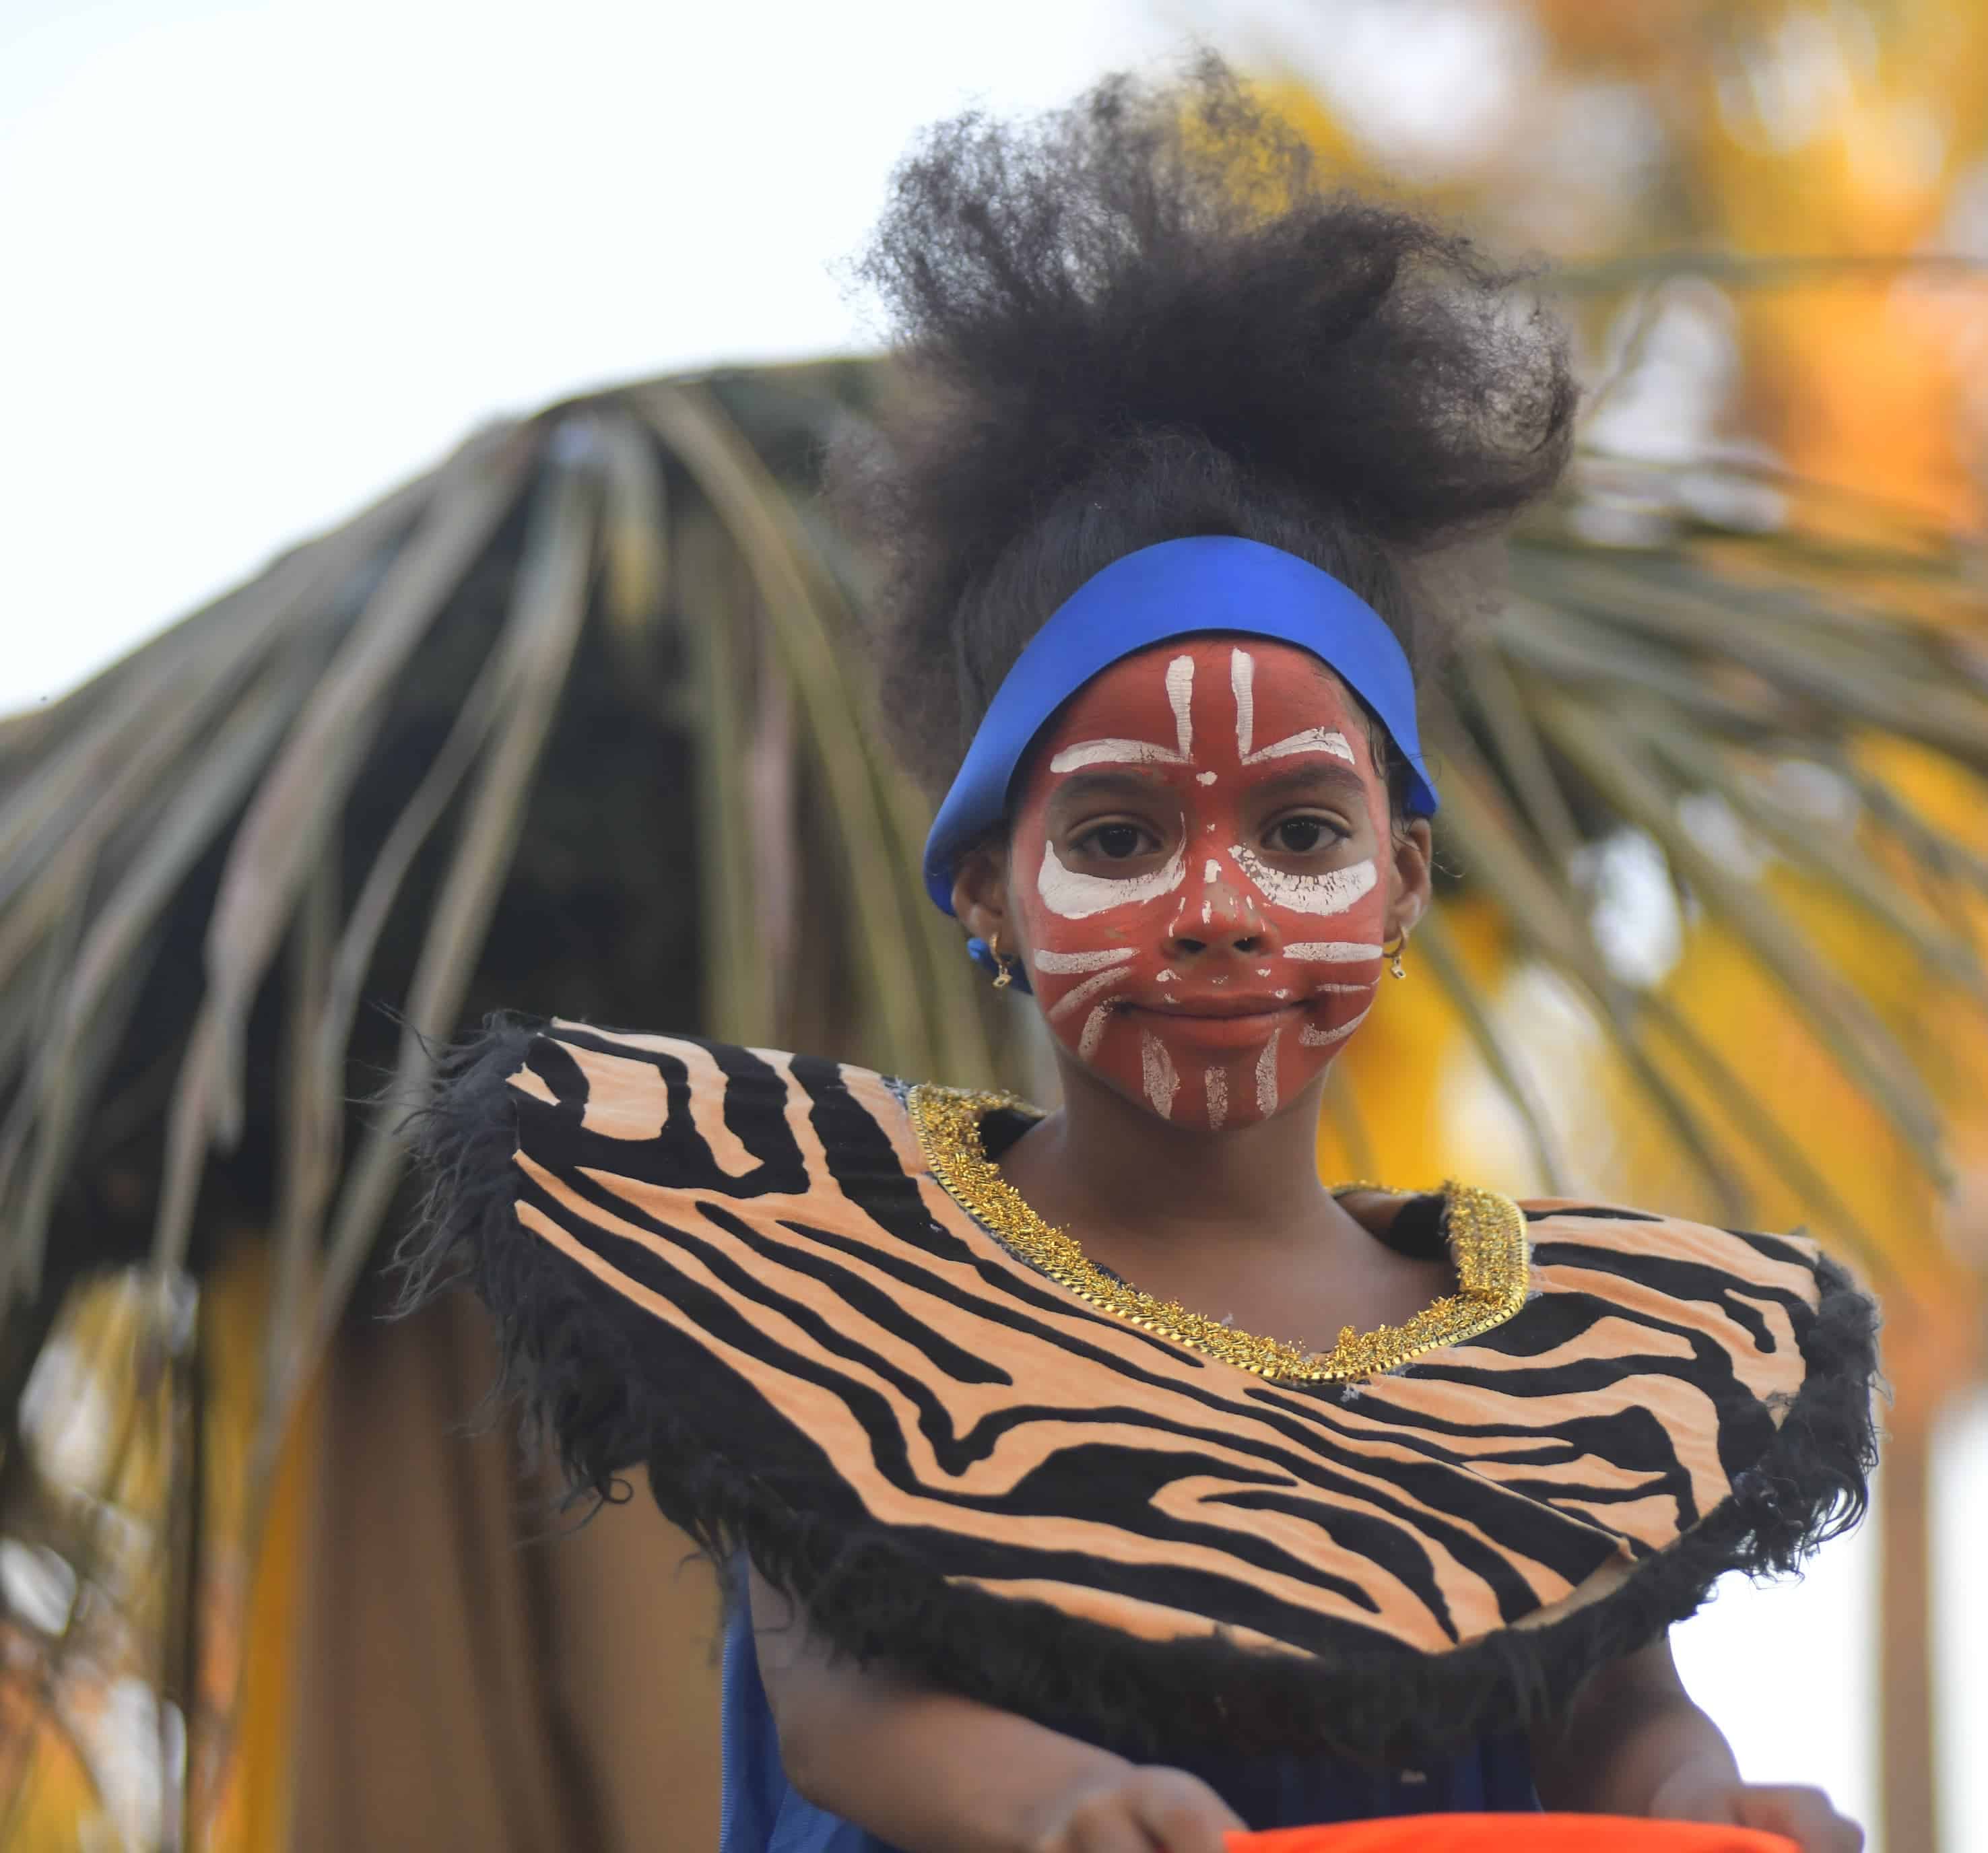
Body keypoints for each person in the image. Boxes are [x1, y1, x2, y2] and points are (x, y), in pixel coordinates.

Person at [401, 59, 1879, 1853]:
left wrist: (1706, 1808)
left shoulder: (1571, 1366)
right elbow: (843, 1706)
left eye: (1302, 831)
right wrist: (1066, 1808)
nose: (1221, 901)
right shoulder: (829, 1284)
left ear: (1404, 881)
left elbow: (1621, 1717)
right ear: (989, 892)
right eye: (1117, 836)